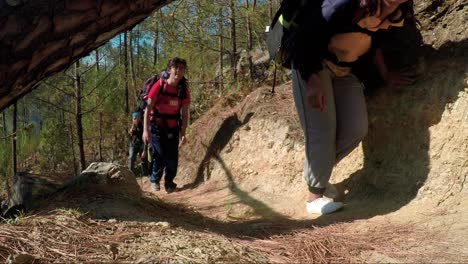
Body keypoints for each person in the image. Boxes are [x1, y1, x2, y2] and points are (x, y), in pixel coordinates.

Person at [288, 0, 418, 214]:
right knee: (323, 129)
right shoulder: (344, 4)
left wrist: (385, 75)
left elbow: (373, 45)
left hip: (345, 71)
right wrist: (311, 82)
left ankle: (318, 173)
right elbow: (303, 39)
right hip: (313, 66)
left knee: (356, 129)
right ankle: (314, 198)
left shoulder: (397, 14)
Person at [142, 57, 190, 193]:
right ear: (170, 70)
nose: (179, 72)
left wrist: (183, 133)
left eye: (182, 69)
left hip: (173, 126)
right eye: (177, 68)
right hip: (157, 126)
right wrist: (145, 131)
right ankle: (154, 180)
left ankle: (169, 183)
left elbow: (185, 114)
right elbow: (148, 109)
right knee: (160, 154)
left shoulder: (183, 90)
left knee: (172, 157)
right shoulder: (159, 85)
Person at [128, 111, 149, 176]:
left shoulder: (143, 126)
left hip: (141, 144)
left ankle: (145, 175)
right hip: (133, 145)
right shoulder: (132, 126)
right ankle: (131, 175)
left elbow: (146, 139)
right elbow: (130, 135)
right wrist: (132, 129)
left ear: (139, 118)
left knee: (143, 159)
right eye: (134, 118)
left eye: (136, 118)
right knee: (131, 158)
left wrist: (145, 150)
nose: (135, 120)